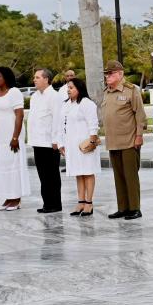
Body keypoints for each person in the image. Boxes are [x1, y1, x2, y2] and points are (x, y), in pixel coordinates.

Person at [101, 61, 148, 220]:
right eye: (106, 73)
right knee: (119, 177)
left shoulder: (131, 90)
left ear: (120, 74)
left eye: (111, 73)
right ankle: (123, 208)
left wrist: (139, 136)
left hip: (129, 141)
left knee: (130, 176)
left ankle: (134, 208)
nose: (108, 76)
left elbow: (140, 115)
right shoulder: (107, 92)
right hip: (113, 142)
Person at [0, 66, 30, 211]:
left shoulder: (14, 92)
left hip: (13, 137)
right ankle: (7, 197)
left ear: (6, 77)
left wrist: (15, 136)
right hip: (0, 139)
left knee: (14, 167)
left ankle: (16, 198)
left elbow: (19, 115)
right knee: (3, 168)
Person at [58, 77, 101, 216]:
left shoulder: (86, 103)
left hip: (85, 144)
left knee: (88, 172)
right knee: (78, 173)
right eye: (68, 88)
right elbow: (62, 125)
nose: (68, 90)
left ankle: (89, 203)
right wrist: (61, 143)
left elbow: (93, 124)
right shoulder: (66, 104)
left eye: (71, 88)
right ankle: (81, 201)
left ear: (79, 89)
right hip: (71, 144)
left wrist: (92, 142)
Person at [27, 68, 65, 213]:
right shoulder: (35, 96)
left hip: (50, 143)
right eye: (34, 77)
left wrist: (56, 140)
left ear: (46, 79)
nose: (34, 80)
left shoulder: (54, 96)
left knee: (52, 175)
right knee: (42, 174)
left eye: (37, 77)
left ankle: (55, 204)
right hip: (37, 141)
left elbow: (57, 119)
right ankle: (47, 203)